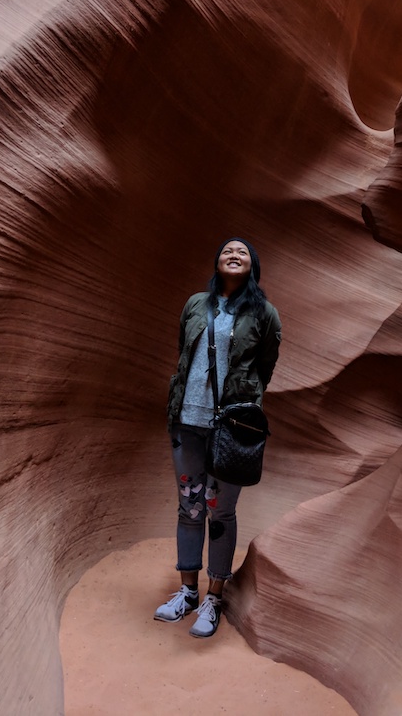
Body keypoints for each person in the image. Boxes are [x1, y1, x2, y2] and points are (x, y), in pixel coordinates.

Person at [154, 238, 282, 638]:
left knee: (221, 512)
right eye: (228, 250)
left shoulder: (265, 313)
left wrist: (245, 398)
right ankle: (187, 591)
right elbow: (183, 351)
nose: (234, 254)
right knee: (189, 507)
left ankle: (214, 596)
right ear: (217, 261)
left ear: (252, 266)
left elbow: (267, 366)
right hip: (187, 421)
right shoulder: (196, 305)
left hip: (230, 428)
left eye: (242, 252)